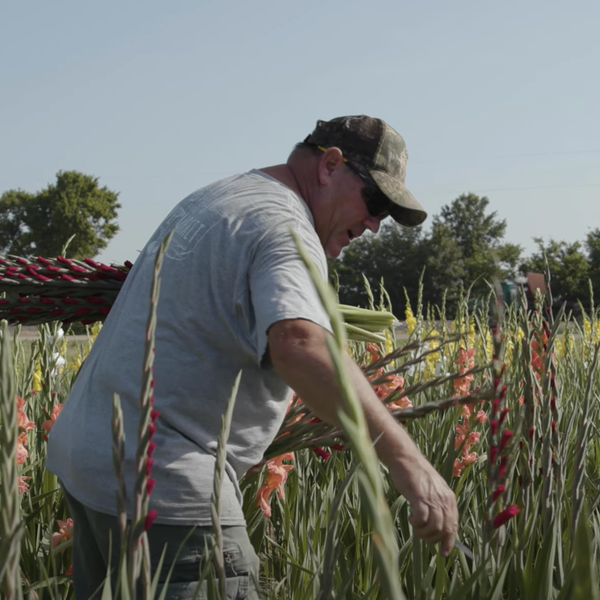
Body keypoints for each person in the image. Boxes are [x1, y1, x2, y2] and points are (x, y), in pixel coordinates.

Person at [47, 115, 458, 599]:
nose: (373, 224)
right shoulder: (285, 226)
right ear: (329, 165)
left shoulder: (216, 199)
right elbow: (300, 343)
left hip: (96, 466)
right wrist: (411, 463)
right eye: (374, 201)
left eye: (385, 214)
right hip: (169, 491)